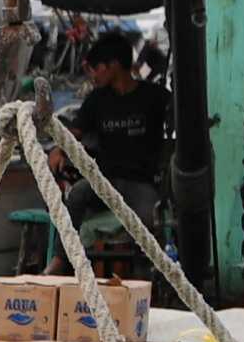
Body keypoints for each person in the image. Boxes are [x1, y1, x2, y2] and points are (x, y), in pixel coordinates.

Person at [66, 27, 172, 238]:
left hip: (142, 182)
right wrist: (58, 150)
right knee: (76, 195)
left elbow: (178, 123)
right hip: (105, 181)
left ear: (113, 65)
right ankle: (61, 256)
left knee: (149, 218)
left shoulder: (156, 96)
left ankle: (147, 260)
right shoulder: (97, 99)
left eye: (97, 68)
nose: (93, 76)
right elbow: (75, 132)